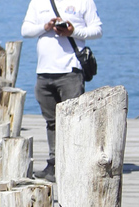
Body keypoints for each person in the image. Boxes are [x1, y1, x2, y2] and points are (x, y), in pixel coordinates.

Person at [21, 0, 102, 182]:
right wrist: (46, 26)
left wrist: (73, 32)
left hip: (70, 72)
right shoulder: (38, 2)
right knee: (51, 122)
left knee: (74, 122)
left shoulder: (84, 2)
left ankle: (74, 166)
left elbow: (97, 30)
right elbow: (25, 30)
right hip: (43, 73)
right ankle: (54, 164)